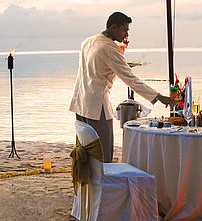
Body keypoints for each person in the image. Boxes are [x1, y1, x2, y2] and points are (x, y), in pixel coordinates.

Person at [69, 11, 177, 162]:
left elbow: (95, 67)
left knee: (84, 152)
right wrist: (158, 97)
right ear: (113, 27)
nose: (126, 35)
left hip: (80, 101)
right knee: (101, 153)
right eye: (124, 30)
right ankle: (102, 184)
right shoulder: (110, 48)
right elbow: (130, 79)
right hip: (96, 106)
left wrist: (121, 65)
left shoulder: (88, 41)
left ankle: (86, 184)